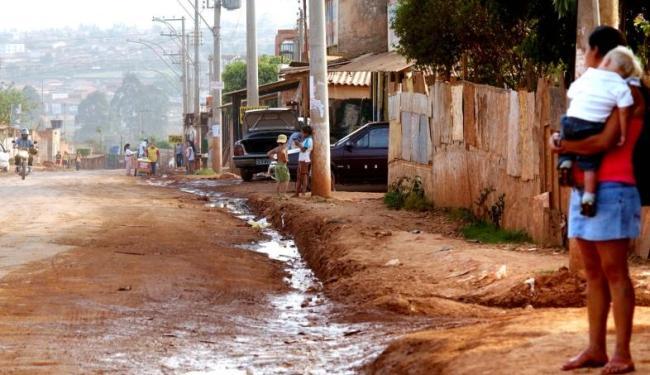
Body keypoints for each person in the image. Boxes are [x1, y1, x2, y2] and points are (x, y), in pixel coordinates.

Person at [549, 26, 645, 375]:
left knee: (615, 272)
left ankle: (622, 354)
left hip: (615, 188)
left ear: (600, 54)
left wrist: (564, 145)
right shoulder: (604, 88)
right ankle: (595, 349)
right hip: (588, 190)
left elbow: (602, 141)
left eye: (586, 51)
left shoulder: (628, 91)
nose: (584, 58)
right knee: (594, 274)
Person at [557, 46, 643, 216]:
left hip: (571, 121)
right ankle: (589, 197)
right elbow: (624, 110)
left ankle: (565, 161)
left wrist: (562, 144)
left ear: (607, 60)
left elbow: (572, 93)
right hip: (592, 126)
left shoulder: (588, 75)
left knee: (564, 126)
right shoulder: (621, 85)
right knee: (590, 164)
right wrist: (623, 132)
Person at [267, 134, 290, 199]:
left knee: (278, 180)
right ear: (285, 141)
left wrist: (274, 159)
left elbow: (268, 153)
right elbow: (283, 153)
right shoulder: (284, 148)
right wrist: (285, 160)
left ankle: (278, 194)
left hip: (277, 165)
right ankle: (284, 194)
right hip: (283, 165)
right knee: (287, 179)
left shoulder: (276, 148)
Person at [294, 126, 314, 197]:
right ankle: (298, 193)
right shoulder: (307, 140)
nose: (301, 133)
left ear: (306, 133)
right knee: (300, 176)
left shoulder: (309, 140)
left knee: (303, 176)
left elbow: (303, 149)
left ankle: (303, 193)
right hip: (303, 160)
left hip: (304, 160)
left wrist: (298, 144)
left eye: (302, 132)